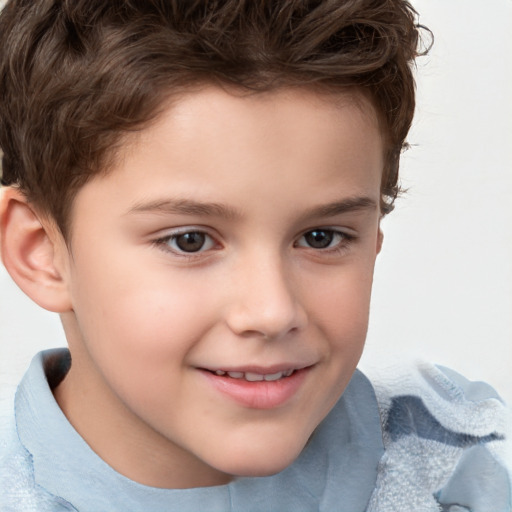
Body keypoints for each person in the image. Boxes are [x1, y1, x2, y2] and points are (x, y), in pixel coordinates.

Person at [0, 0, 509, 510]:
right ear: (40, 250)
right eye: (190, 240)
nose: (272, 311)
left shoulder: (469, 457)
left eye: (321, 237)